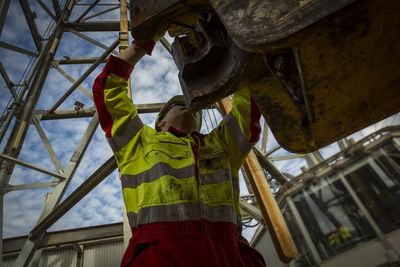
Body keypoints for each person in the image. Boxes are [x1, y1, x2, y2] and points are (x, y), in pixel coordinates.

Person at [92, 36, 265, 266]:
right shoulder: (139, 143)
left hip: (229, 253)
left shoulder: (221, 145)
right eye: (177, 104)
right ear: (160, 123)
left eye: (195, 109)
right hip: (159, 254)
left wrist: (239, 44)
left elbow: (250, 104)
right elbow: (108, 90)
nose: (189, 106)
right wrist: (143, 43)